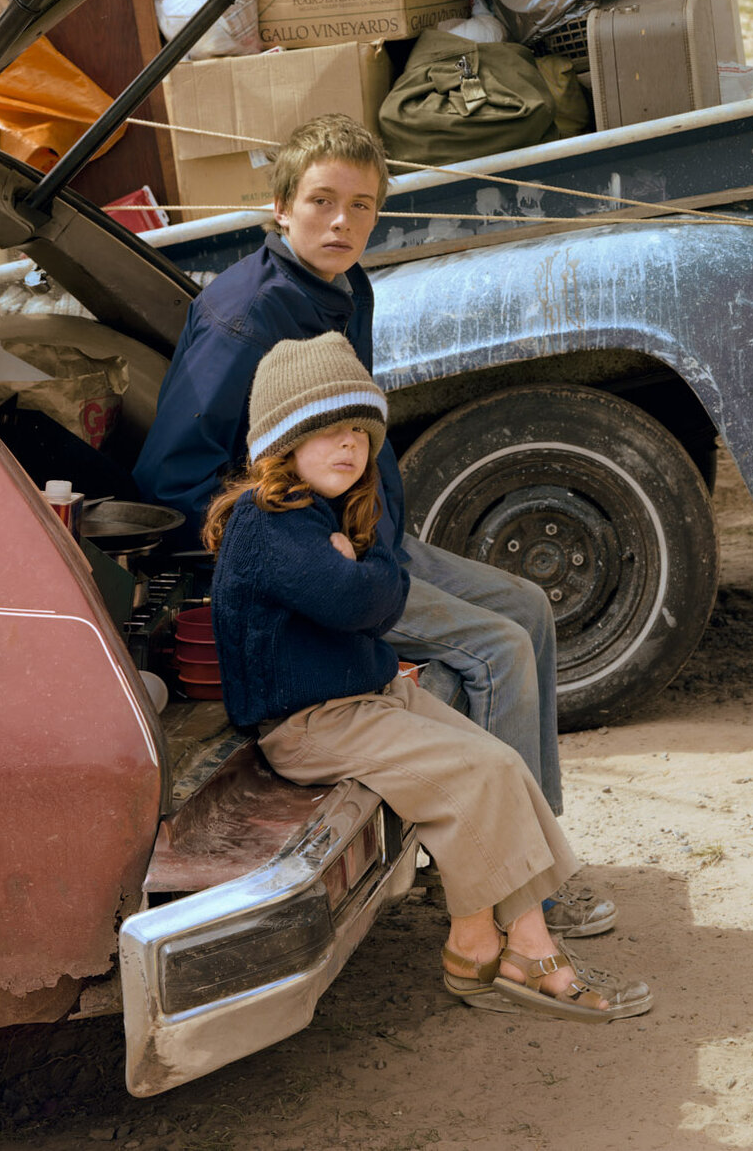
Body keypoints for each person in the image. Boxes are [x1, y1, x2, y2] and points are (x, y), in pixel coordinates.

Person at [136, 113, 612, 939]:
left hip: (371, 537)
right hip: (313, 557)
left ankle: (533, 850)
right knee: (495, 646)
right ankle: (515, 894)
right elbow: (170, 477)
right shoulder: (244, 318)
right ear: (281, 206)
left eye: (361, 206)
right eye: (321, 201)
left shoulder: (344, 287)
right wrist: (285, 541)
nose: (341, 222)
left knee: (529, 607)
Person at [205, 332, 647, 1022]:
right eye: (325, 431)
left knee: (497, 763)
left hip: (361, 698)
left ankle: (478, 944)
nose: (349, 445)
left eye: (358, 430)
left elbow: (372, 596)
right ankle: (526, 956)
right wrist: (369, 567)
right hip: (311, 724)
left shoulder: (328, 515)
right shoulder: (271, 525)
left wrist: (363, 560)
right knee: (479, 773)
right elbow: (367, 602)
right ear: (282, 443)